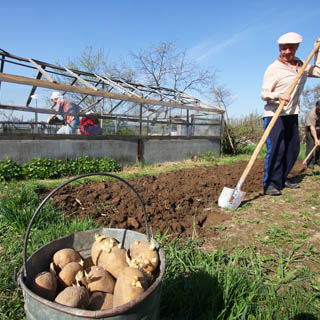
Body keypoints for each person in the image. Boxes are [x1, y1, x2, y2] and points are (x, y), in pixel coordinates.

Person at [261, 32, 320, 196]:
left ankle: (282, 179)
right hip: (275, 114)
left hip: (292, 114)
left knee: (293, 149)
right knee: (276, 149)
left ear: (297, 48)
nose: (287, 51)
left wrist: (317, 51)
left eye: (291, 48)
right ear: (279, 48)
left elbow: (318, 71)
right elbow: (264, 93)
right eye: (284, 48)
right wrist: (277, 96)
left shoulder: (302, 65)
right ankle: (271, 184)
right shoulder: (273, 69)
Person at [305, 101, 320, 168]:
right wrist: (316, 139)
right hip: (310, 128)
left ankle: (318, 160)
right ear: (317, 107)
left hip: (319, 128)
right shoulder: (312, 113)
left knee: (319, 146)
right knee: (311, 144)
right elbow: (312, 128)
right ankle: (309, 162)